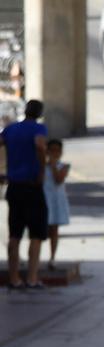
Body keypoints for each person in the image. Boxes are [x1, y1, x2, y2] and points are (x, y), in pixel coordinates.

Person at [1, 99, 49, 289]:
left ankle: (14, 278)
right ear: (39, 113)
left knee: (15, 233)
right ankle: (32, 277)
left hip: (14, 186)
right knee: (36, 234)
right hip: (32, 186)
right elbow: (39, 146)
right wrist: (41, 171)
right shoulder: (39, 129)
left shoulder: (11, 129)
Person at [43, 139, 69, 269]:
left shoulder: (63, 166)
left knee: (54, 229)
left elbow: (59, 179)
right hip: (44, 200)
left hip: (56, 202)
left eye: (57, 151)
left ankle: (52, 257)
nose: (54, 153)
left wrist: (53, 166)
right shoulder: (42, 167)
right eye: (51, 150)